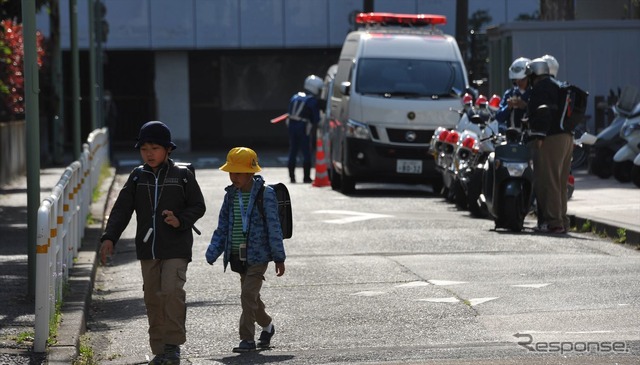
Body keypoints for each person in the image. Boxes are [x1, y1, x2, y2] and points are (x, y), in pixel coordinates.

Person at [99, 121, 206, 365]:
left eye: (155, 148)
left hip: (177, 248)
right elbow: (121, 210)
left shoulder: (183, 176)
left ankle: (173, 345)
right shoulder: (138, 176)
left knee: (171, 292)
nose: (149, 153)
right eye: (144, 148)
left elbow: (198, 205)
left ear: (168, 149)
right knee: (153, 298)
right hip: (148, 249)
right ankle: (159, 350)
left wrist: (180, 220)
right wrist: (109, 237)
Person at [205, 147, 286, 353]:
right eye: (231, 173)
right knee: (251, 297)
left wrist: (278, 257)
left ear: (251, 172)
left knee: (247, 296)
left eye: (238, 173)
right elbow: (223, 226)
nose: (233, 177)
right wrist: (213, 251)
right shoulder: (230, 195)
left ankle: (247, 339)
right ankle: (267, 326)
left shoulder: (265, 195)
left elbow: (274, 226)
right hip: (238, 256)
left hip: (259, 256)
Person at [524, 57, 572, 234]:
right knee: (560, 183)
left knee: (548, 181)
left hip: (550, 138)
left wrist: (539, 134)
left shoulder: (541, 88)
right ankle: (562, 221)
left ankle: (554, 223)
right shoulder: (557, 84)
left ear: (534, 74)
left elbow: (544, 110)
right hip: (567, 137)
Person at [286, 75, 322, 183]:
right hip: (303, 127)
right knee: (306, 152)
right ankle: (306, 177)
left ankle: (292, 177)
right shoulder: (311, 100)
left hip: (292, 125)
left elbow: (289, 112)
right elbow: (316, 118)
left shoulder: (294, 97)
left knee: (293, 151)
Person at [495, 57, 531, 132]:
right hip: (512, 135)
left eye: (522, 80)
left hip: (530, 135)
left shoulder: (534, 93)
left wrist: (526, 107)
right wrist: (508, 107)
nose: (519, 83)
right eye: (516, 80)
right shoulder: (509, 93)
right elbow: (498, 117)